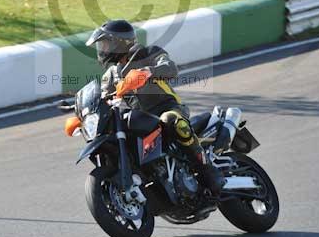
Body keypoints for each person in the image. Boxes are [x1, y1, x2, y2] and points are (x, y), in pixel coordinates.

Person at [85, 19, 223, 196]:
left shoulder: (149, 53)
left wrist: (149, 72)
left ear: (120, 43)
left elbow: (170, 68)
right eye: (101, 46)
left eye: (105, 44)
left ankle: (207, 170)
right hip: (142, 120)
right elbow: (104, 97)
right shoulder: (110, 76)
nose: (102, 50)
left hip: (168, 108)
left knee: (171, 120)